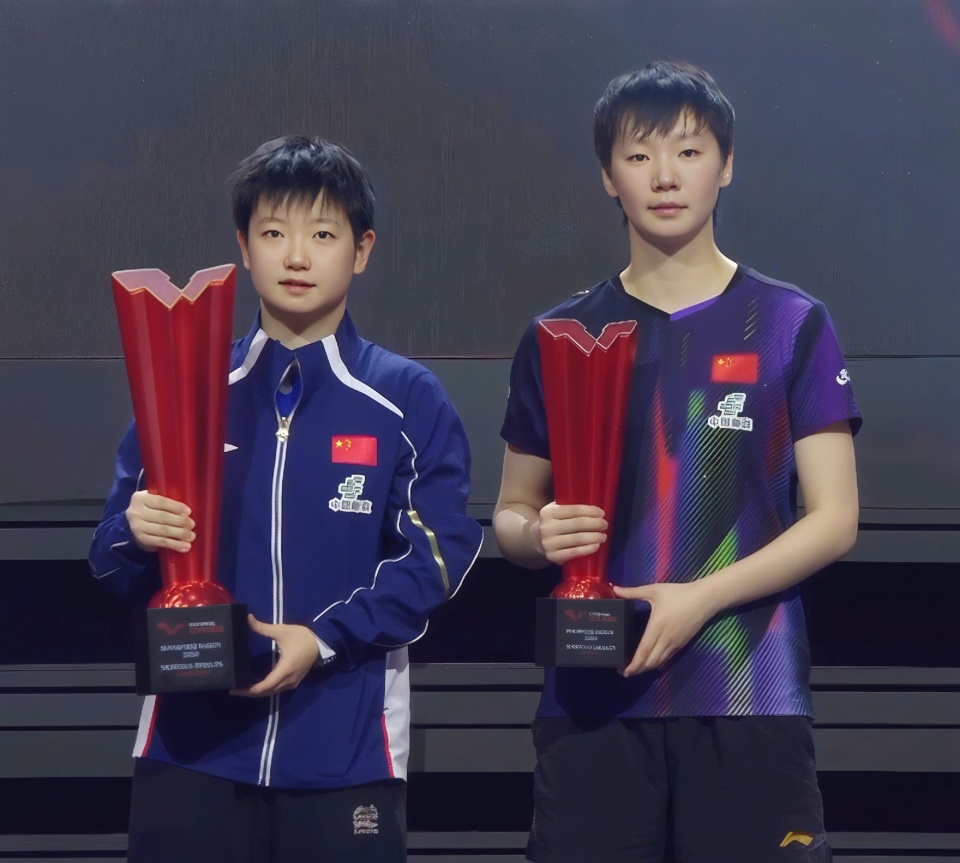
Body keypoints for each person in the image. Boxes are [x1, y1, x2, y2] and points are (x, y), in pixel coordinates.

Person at [494, 61, 860, 863]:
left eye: (689, 152)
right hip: (592, 698)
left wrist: (699, 599)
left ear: (725, 166)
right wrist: (538, 532)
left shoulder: (792, 322)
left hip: (748, 690)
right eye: (639, 155)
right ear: (608, 176)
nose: (665, 176)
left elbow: (835, 519)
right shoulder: (559, 336)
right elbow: (512, 512)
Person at [90, 135, 483, 863]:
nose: (297, 256)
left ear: (362, 250)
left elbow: (437, 554)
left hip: (346, 751)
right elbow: (110, 561)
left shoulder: (405, 396)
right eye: (274, 234)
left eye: (323, 235)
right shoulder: (186, 388)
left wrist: (323, 638)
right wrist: (133, 533)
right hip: (190, 752)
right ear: (244, 246)